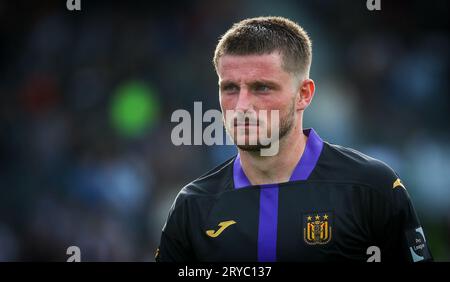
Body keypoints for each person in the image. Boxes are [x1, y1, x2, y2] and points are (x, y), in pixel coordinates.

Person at [155, 16, 432, 262]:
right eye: (230, 88)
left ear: (304, 94)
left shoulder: (371, 188)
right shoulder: (193, 206)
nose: (241, 106)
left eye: (261, 87)